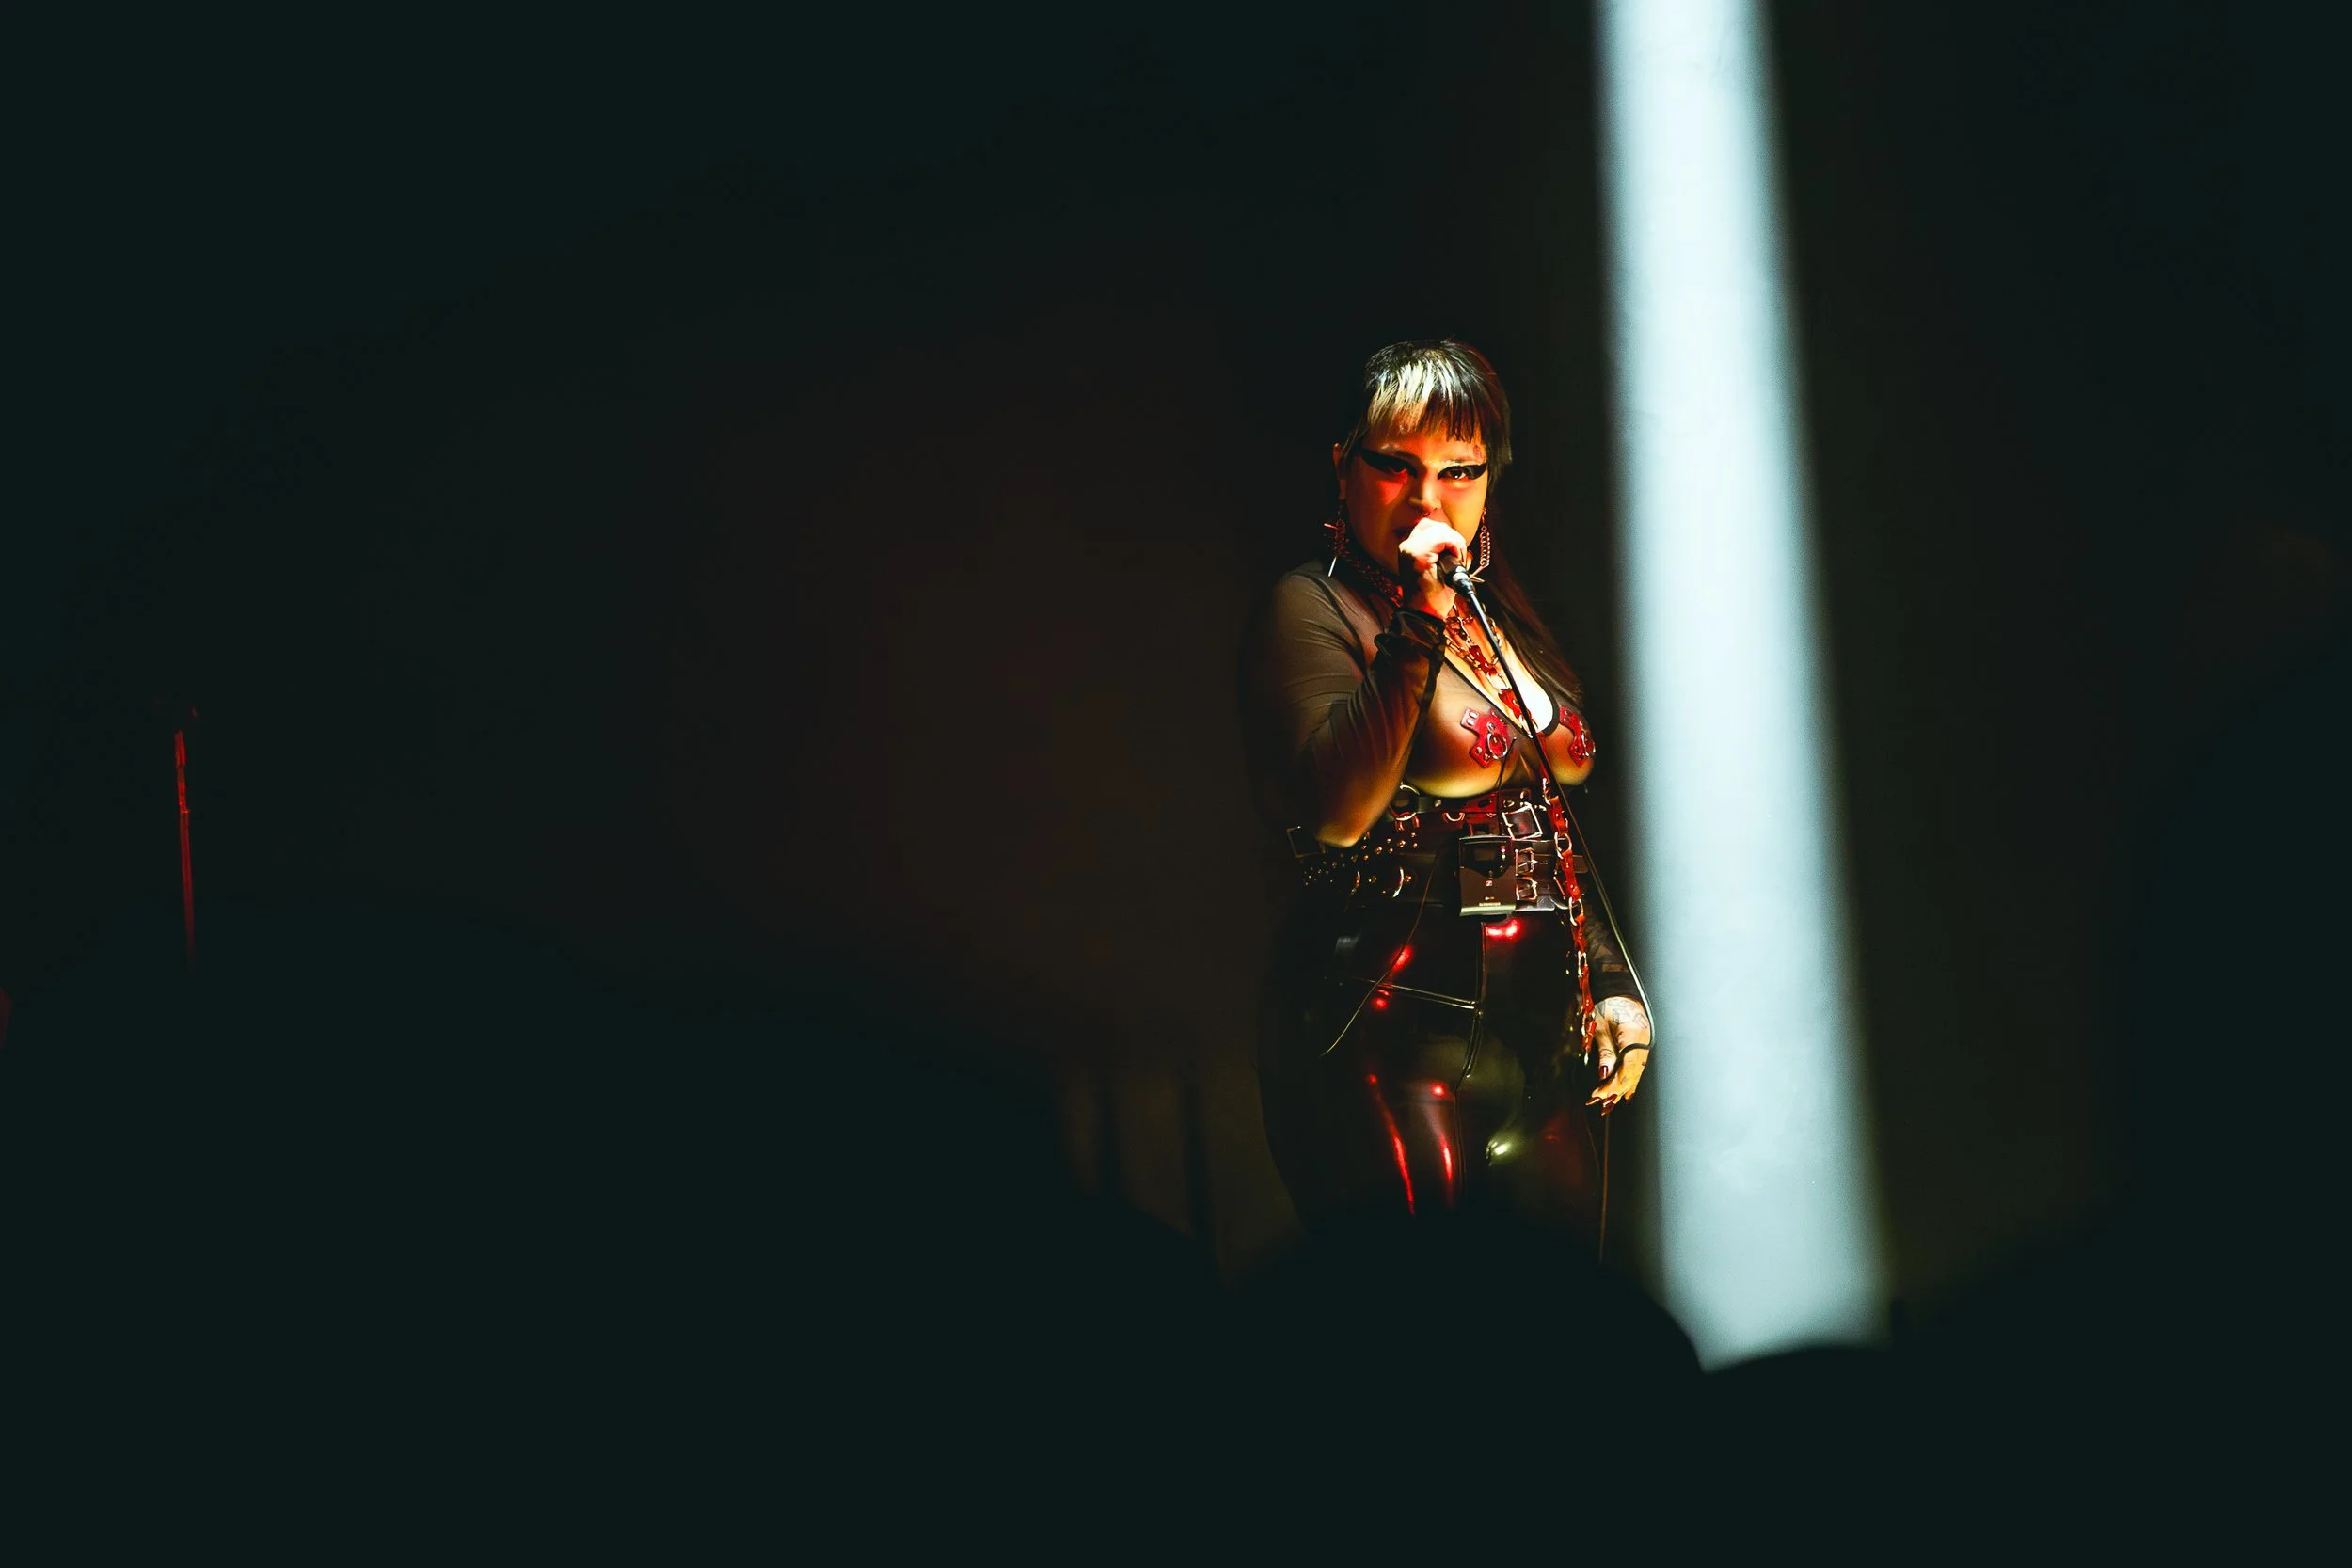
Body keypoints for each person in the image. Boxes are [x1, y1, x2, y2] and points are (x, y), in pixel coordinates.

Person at [1242, 339, 1652, 1245]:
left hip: (1540, 1044)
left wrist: (1611, 980)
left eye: (1459, 471)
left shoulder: (1493, 616)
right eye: (1397, 465)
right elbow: (1340, 809)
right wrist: (1419, 618)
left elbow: (1547, 813)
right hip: (1387, 1034)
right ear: (1343, 467)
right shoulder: (1311, 608)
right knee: (1424, 1310)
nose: (1429, 498)